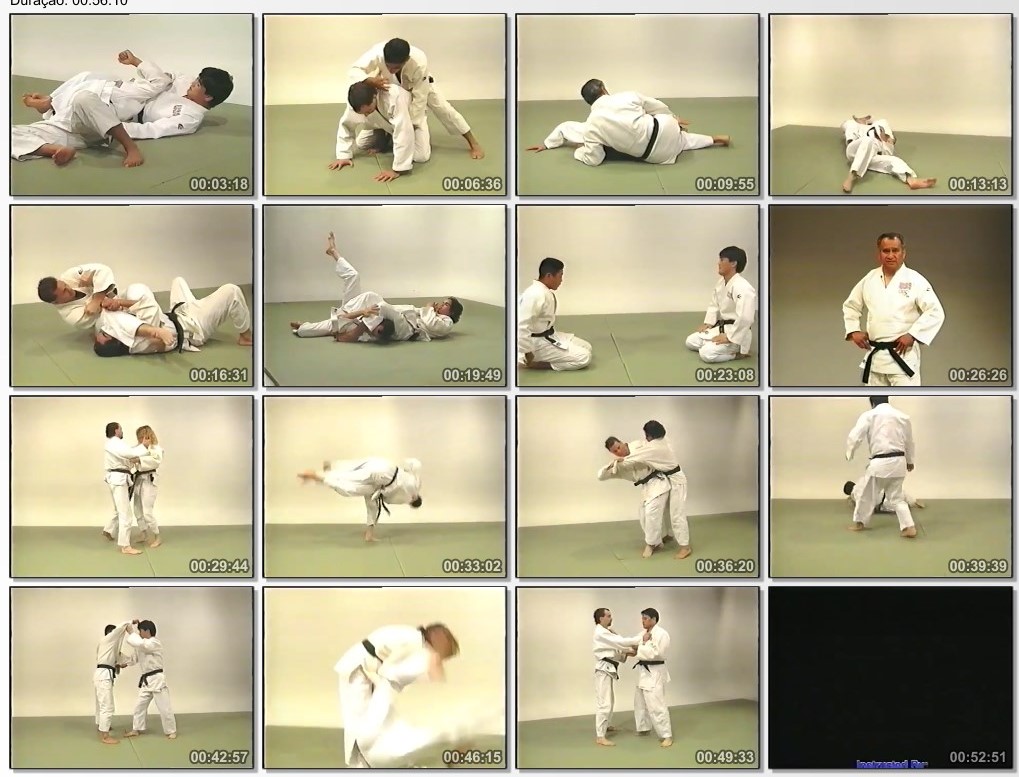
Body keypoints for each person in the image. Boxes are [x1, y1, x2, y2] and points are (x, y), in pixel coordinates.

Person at [13, 50, 233, 168]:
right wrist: (140, 66)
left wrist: (111, 126)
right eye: (197, 79)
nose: (193, 82)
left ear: (208, 96)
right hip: (99, 106)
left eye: (199, 84)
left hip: (112, 119)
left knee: (84, 98)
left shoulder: (190, 117)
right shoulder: (185, 81)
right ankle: (51, 144)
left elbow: (152, 129)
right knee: (89, 77)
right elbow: (163, 77)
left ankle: (130, 148)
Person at [289, 232, 462, 343]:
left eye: (446, 304)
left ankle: (339, 326)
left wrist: (429, 308)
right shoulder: (436, 314)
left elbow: (432, 325)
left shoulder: (446, 323)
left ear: (452, 312)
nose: (442, 304)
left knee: (380, 307)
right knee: (359, 283)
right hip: (396, 316)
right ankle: (334, 253)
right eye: (443, 302)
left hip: (406, 328)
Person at [334, 623, 462, 768]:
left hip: (366, 671)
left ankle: (366, 765)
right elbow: (389, 672)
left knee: (371, 727)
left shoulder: (413, 640)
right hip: (358, 670)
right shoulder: (414, 642)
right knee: (362, 727)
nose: (442, 659)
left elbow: (391, 672)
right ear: (438, 638)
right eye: (444, 654)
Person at [526, 79, 730, 167]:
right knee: (680, 138)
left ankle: (710, 139)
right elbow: (656, 105)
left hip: (656, 155)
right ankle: (713, 139)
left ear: (589, 102)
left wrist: (578, 152)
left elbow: (594, 159)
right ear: (604, 89)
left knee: (682, 142)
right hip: (665, 127)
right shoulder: (627, 96)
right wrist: (673, 119)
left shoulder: (591, 126)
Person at [349, 37, 485, 160]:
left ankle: (473, 142)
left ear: (406, 60)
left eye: (396, 67)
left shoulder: (419, 62)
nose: (390, 70)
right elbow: (354, 69)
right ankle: (385, 137)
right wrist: (369, 80)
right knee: (385, 113)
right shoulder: (378, 52)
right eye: (388, 65)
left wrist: (409, 128)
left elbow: (420, 99)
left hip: (420, 85)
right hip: (389, 83)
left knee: (443, 109)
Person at [843, 232, 945, 386]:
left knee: (905, 401)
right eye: (886, 251)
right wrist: (853, 331)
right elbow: (851, 305)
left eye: (895, 250)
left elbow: (935, 311)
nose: (890, 255)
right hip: (875, 359)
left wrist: (913, 334)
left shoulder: (915, 279)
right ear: (879, 254)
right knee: (876, 402)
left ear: (903, 253)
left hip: (903, 358)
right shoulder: (870, 278)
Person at [92, 276, 253, 356]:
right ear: (118, 339)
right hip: (194, 326)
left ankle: (199, 304)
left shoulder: (119, 329)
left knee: (178, 280)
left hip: (178, 313)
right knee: (232, 291)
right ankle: (245, 337)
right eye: (106, 334)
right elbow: (146, 304)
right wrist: (156, 332)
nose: (106, 330)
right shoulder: (139, 343)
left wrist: (114, 302)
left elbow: (129, 310)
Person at [609, 421, 691, 560]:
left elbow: (634, 459)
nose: (645, 438)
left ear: (650, 436)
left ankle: (685, 547)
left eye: (646, 435)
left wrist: (616, 463)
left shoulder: (654, 448)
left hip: (677, 481)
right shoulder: (663, 440)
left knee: (677, 513)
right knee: (666, 510)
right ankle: (668, 535)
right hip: (667, 478)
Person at [297, 457, 423, 543]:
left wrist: (406, 468)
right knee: (350, 486)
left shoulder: (414, 482)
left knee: (351, 477)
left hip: (381, 468)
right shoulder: (409, 493)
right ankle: (321, 476)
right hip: (382, 476)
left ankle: (369, 534)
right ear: (413, 503)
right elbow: (388, 498)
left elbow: (413, 464)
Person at [845, 396, 918, 539]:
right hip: (899, 462)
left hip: (880, 463)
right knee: (897, 498)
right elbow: (909, 441)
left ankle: (859, 523)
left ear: (872, 403)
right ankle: (909, 527)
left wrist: (849, 452)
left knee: (866, 495)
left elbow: (855, 436)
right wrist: (910, 461)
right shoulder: (902, 416)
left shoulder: (869, 415)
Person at [330, 80, 426, 183]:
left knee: (420, 156)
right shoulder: (355, 103)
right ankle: (384, 136)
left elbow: (403, 131)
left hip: (412, 121)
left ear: (374, 97)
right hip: (384, 124)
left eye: (368, 111)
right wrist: (344, 155)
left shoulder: (394, 97)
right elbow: (347, 126)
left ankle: (389, 137)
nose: (366, 115)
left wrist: (398, 169)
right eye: (363, 113)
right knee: (361, 144)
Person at [598, 436, 676, 556]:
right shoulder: (621, 465)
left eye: (618, 447)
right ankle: (658, 541)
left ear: (622, 443)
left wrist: (626, 460)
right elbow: (601, 476)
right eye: (615, 451)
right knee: (643, 515)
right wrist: (612, 464)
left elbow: (657, 450)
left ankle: (651, 544)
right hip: (646, 488)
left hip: (658, 482)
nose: (618, 451)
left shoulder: (639, 445)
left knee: (652, 512)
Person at [684, 246, 757, 363]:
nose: (718, 263)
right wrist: (708, 323)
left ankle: (737, 354)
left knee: (706, 354)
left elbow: (745, 317)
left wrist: (729, 337)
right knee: (690, 341)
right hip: (722, 328)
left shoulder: (743, 287)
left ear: (733, 263)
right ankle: (715, 345)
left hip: (737, 332)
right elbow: (714, 305)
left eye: (722, 260)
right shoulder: (721, 283)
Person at [517, 257, 592, 371]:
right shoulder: (535, 295)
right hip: (535, 343)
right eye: (560, 275)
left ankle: (551, 355)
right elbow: (521, 325)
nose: (561, 280)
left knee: (587, 347)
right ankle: (536, 364)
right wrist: (526, 352)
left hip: (549, 336)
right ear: (549, 276)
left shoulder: (542, 291)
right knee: (584, 357)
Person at [839, 115, 937, 193]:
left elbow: (889, 145)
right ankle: (852, 176)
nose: (865, 119)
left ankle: (911, 180)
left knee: (893, 160)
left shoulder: (880, 124)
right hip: (854, 151)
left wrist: (888, 138)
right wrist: (858, 122)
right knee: (868, 140)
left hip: (873, 154)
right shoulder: (854, 125)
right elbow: (845, 126)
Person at [592, 608, 641, 747]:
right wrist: (640, 639)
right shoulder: (600, 632)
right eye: (608, 616)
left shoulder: (606, 632)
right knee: (604, 703)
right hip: (603, 670)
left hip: (608, 668)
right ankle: (600, 736)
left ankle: (606, 726)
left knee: (610, 701)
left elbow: (613, 651)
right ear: (601, 618)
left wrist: (628, 653)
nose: (611, 618)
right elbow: (621, 642)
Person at [122, 619, 177, 740]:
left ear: (147, 631)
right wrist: (124, 663)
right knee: (139, 706)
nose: (139, 633)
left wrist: (131, 633)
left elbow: (143, 645)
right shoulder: (142, 645)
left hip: (157, 679)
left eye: (140, 631)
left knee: (164, 708)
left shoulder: (154, 642)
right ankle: (136, 729)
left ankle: (171, 730)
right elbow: (134, 658)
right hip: (146, 681)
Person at [104, 422, 154, 556]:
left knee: (119, 510)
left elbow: (128, 452)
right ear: (116, 431)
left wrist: (140, 447)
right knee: (125, 514)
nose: (122, 431)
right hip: (118, 479)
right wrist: (144, 446)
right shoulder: (115, 443)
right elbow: (129, 453)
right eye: (120, 429)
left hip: (117, 479)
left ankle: (109, 530)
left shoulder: (115, 444)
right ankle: (125, 546)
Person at [36, 263, 119, 329]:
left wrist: (96, 300)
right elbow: (104, 311)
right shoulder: (71, 315)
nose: (69, 289)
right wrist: (96, 284)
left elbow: (104, 269)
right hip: (112, 320)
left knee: (128, 291)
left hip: (118, 296)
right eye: (64, 291)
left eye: (65, 285)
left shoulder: (68, 276)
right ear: (56, 302)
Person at [633, 608, 672, 748]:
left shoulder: (662, 634)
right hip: (643, 672)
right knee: (640, 703)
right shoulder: (643, 633)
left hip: (654, 672)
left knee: (656, 705)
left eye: (645, 618)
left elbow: (657, 653)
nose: (642, 621)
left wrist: (641, 646)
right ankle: (644, 728)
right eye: (642, 618)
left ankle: (666, 735)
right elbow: (634, 645)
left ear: (654, 619)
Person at [94, 620, 134, 745]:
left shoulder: (110, 648)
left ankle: (102, 725)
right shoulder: (107, 640)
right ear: (110, 634)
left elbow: (124, 659)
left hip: (102, 675)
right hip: (103, 676)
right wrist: (131, 622)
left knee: (101, 704)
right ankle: (105, 736)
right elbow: (121, 628)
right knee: (107, 706)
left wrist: (125, 663)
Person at [131, 426, 164, 548]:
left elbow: (156, 462)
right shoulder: (138, 448)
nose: (141, 440)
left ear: (149, 435)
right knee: (137, 509)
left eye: (143, 437)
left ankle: (157, 536)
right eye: (139, 437)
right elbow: (130, 456)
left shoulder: (157, 449)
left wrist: (140, 460)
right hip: (139, 480)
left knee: (147, 512)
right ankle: (144, 533)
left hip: (149, 481)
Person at [844, 480, 924, 511]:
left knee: (900, 507)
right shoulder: (861, 482)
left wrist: (853, 502)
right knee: (902, 494)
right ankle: (913, 502)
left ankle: (908, 504)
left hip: (884, 503)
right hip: (887, 490)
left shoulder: (855, 496)